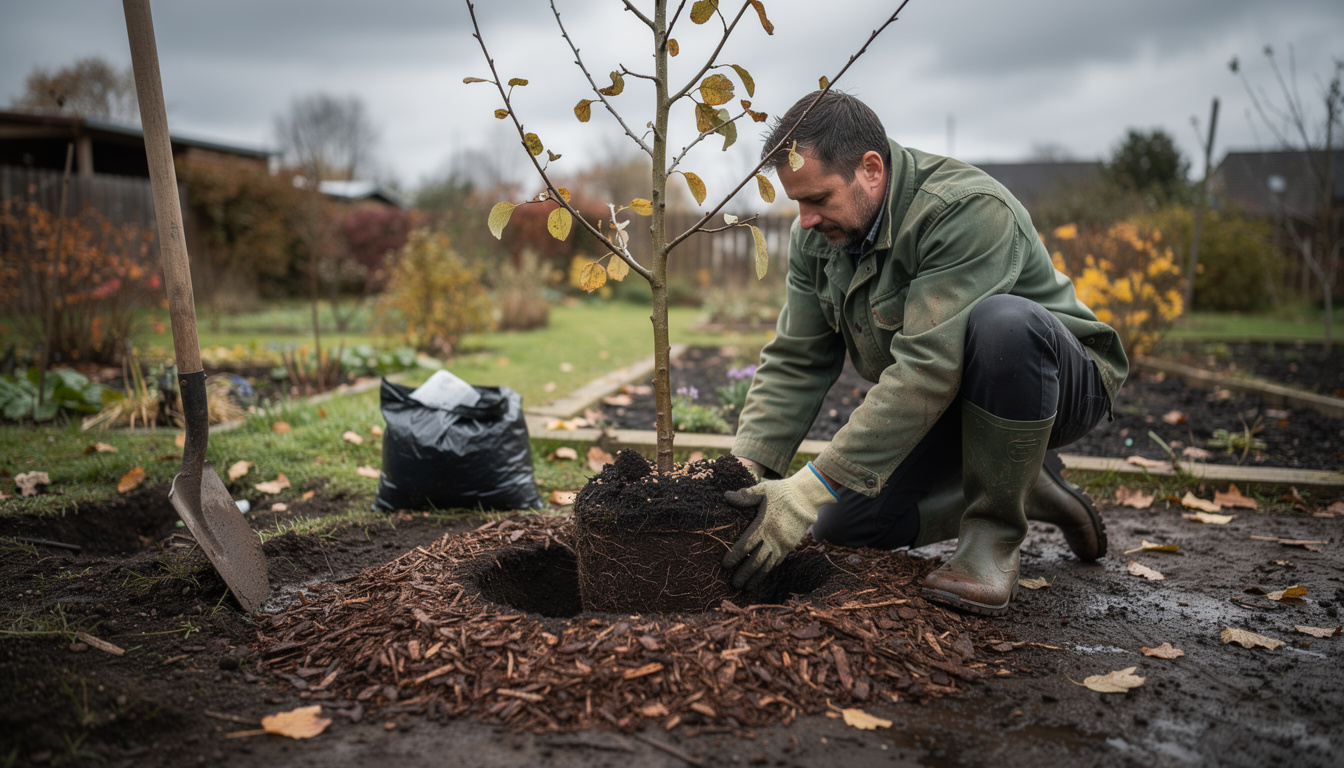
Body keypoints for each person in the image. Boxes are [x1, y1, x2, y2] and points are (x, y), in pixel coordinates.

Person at [722, 91, 1128, 616]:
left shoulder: (966, 211)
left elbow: (928, 367)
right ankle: (1026, 482)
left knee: (1003, 323)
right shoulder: (819, 240)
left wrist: (807, 487)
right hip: (950, 400)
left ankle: (992, 540)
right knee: (846, 526)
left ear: (871, 169)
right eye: (797, 202)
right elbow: (798, 358)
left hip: (1056, 385)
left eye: (818, 199)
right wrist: (744, 468)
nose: (804, 219)